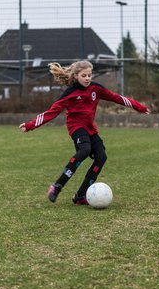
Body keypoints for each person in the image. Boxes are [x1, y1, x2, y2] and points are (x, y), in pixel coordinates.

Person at [19, 61, 149, 205]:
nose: (87, 78)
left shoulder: (96, 89)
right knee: (85, 149)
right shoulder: (70, 93)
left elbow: (117, 98)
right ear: (75, 76)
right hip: (76, 127)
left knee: (101, 157)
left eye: (89, 75)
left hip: (90, 128)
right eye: (83, 75)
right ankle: (57, 186)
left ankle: (80, 195)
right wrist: (30, 125)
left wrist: (140, 107)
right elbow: (51, 112)